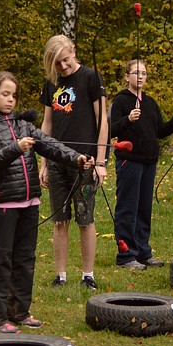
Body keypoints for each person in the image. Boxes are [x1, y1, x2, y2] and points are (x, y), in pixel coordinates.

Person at [0, 71, 92, 333]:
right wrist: (16, 148)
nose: (10, 100)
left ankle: (19, 311)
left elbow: (50, 144)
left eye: (14, 95)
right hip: (5, 203)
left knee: (25, 259)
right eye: (5, 94)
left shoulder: (23, 125)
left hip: (30, 203)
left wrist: (75, 157)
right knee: (2, 260)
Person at [38, 34, 108, 290]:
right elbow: (46, 125)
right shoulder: (51, 84)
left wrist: (101, 162)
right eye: (57, 63)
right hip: (57, 161)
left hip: (86, 162)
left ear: (73, 51)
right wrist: (44, 163)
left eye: (66, 60)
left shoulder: (91, 78)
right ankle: (61, 274)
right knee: (59, 219)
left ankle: (87, 274)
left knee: (85, 217)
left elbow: (103, 122)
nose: (64, 67)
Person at [108, 59, 173, 269]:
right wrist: (128, 120)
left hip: (148, 162)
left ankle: (143, 252)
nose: (141, 77)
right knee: (128, 208)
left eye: (144, 73)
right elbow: (109, 130)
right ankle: (126, 255)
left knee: (144, 209)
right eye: (136, 73)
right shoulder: (120, 102)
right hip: (129, 161)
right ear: (127, 76)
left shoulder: (151, 102)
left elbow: (160, 131)